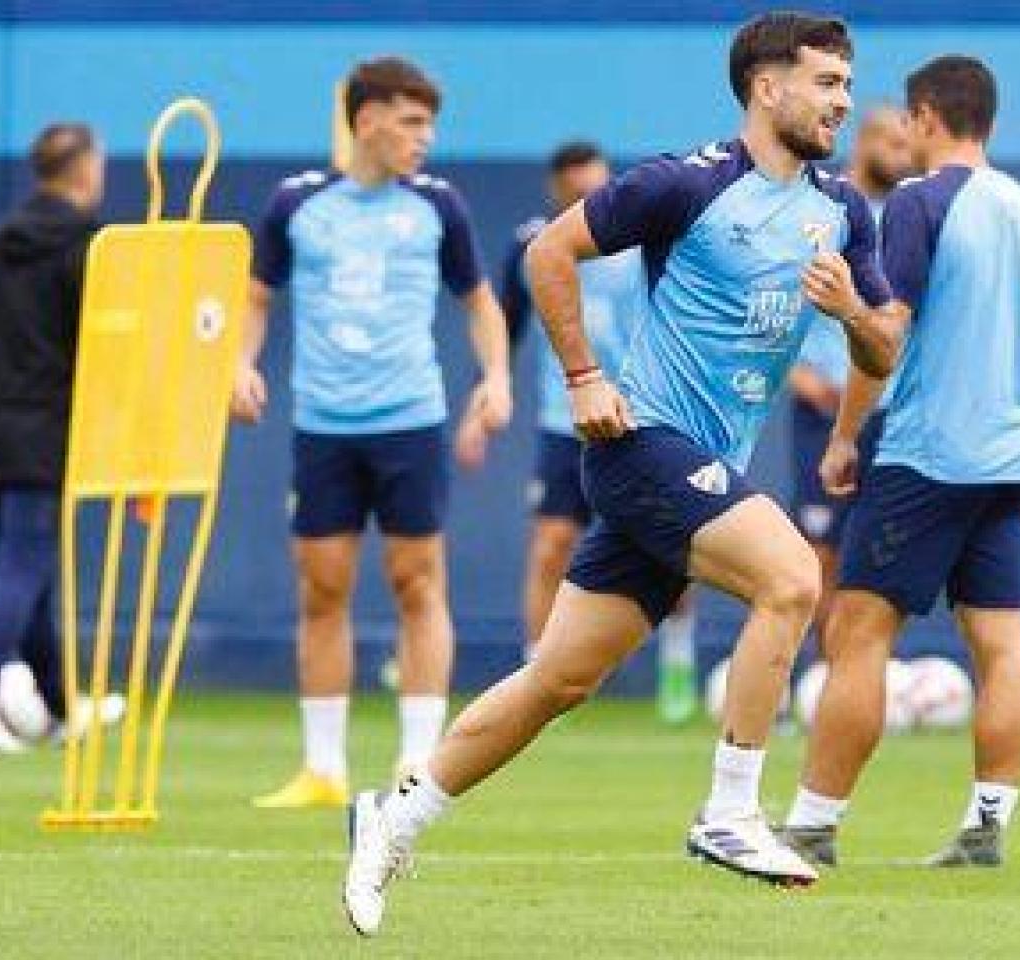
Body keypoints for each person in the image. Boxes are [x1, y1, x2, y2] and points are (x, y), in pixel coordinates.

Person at [343, 12, 903, 934]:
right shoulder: (683, 184)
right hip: (641, 446)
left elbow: (884, 345)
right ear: (768, 88)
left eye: (848, 84)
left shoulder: (841, 211)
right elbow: (547, 252)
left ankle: (393, 817)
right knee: (794, 576)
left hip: (703, 467)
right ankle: (730, 811)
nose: (843, 100)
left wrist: (851, 312)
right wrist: (584, 377)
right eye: (827, 82)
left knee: (555, 683)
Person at [779, 54, 1020, 869]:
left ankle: (812, 824)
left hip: (926, 455)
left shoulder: (919, 203)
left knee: (859, 632)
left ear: (925, 118)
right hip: (1012, 461)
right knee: (1001, 645)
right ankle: (988, 823)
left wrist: (845, 436)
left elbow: (883, 336)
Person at [236, 56, 512, 808]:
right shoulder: (297, 204)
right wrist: (239, 363)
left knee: (417, 583)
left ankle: (418, 761)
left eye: (430, 124)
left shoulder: (438, 205)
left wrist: (495, 377)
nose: (425, 139)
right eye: (412, 123)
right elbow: (256, 298)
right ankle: (322, 768)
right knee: (321, 590)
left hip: (410, 423)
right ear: (367, 122)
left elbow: (480, 302)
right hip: (321, 427)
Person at [496, 141, 701, 724]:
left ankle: (678, 666)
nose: (597, 200)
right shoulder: (534, 247)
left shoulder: (641, 241)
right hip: (565, 424)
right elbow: (505, 326)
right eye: (583, 192)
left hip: (642, 420)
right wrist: (492, 392)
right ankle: (535, 672)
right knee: (551, 546)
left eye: (602, 187)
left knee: (678, 551)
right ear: (560, 193)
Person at [0, 122, 112, 751]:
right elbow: (106, 351)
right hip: (45, 430)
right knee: (22, 567)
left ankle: (63, 711)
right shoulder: (93, 249)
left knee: (32, 574)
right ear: (85, 169)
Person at [788, 104, 910, 638]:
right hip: (822, 410)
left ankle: (848, 675)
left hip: (890, 414)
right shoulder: (819, 207)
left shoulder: (911, 217)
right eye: (892, 143)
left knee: (878, 552)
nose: (902, 157)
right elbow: (771, 297)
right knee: (817, 551)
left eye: (910, 146)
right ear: (862, 142)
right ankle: (800, 678)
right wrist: (797, 374)